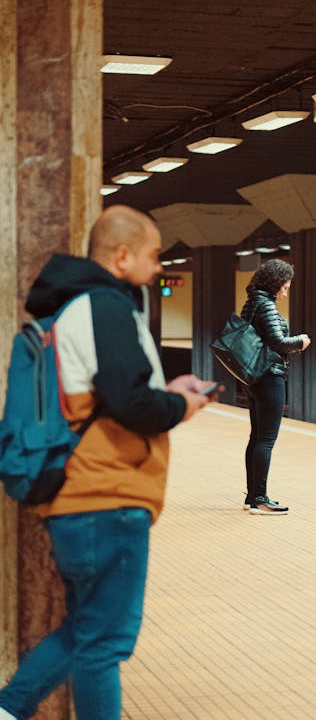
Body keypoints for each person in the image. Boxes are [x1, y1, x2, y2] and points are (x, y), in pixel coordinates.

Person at [0, 205, 216, 720]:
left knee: (91, 631)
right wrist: (180, 404)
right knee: (104, 642)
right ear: (122, 256)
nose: (159, 265)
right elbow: (133, 407)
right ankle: (8, 706)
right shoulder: (105, 306)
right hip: (106, 499)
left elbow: (111, 396)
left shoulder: (79, 308)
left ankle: (9, 708)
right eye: (153, 254)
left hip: (86, 500)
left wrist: (164, 392)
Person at [240, 259, 311, 515]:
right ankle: (260, 498)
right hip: (269, 377)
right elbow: (279, 342)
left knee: (257, 437)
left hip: (255, 377)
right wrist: (300, 341)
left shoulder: (252, 302)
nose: (286, 291)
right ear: (276, 283)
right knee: (266, 440)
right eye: (285, 285)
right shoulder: (266, 305)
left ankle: (252, 495)